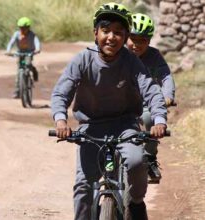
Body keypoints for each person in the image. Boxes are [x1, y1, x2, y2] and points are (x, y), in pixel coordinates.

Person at [51, 3, 167, 220]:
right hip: (90, 127)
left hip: (125, 126)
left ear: (125, 37)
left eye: (118, 32)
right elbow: (61, 93)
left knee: (136, 162)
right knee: (83, 187)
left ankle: (136, 203)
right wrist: (60, 121)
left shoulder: (131, 62)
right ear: (96, 33)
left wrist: (159, 119)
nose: (111, 37)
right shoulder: (82, 60)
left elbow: (151, 91)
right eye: (106, 31)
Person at [127, 13, 176, 183]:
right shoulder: (119, 54)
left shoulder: (154, 56)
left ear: (149, 41)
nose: (137, 45)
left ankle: (149, 158)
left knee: (150, 119)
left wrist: (167, 95)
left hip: (146, 103)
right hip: (121, 103)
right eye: (133, 39)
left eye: (143, 40)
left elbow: (166, 77)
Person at [6, 16, 41, 98]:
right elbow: (11, 43)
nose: (22, 29)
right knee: (19, 71)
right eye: (21, 28)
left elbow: (37, 42)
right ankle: (18, 90)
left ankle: (33, 71)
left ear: (28, 27)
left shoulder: (32, 35)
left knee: (28, 64)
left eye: (24, 28)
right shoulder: (17, 34)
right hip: (20, 53)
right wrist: (8, 51)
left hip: (29, 53)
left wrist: (38, 49)